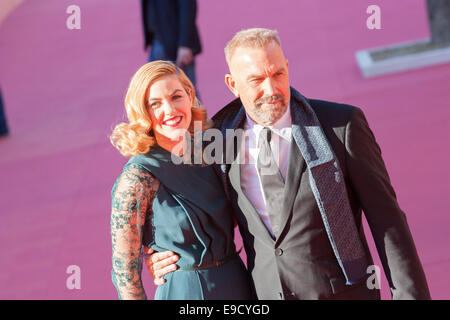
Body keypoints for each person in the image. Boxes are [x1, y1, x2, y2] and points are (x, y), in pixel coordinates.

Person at [145, 28, 431, 300]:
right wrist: (157, 254)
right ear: (233, 84)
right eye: (256, 80)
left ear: (287, 68)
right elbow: (189, 211)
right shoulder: (218, 140)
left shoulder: (339, 126)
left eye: (277, 73)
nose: (271, 89)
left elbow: (388, 223)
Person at [109, 60, 254, 300]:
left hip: (237, 283)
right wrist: (150, 255)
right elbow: (125, 271)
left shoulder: (211, 151)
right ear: (143, 113)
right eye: (155, 104)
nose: (170, 110)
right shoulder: (137, 178)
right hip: (185, 292)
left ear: (190, 95)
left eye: (176, 96)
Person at [141, 0, 202, 88]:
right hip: (157, 42)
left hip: (175, 46)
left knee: (188, 92)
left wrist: (185, 44)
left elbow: (187, 6)